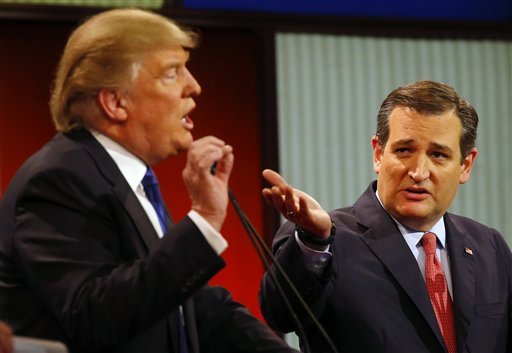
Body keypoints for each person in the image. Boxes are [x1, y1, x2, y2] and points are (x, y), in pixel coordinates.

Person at [0, 8, 297, 353]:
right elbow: (97, 316)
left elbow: (190, 309)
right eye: (172, 73)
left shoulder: (123, 178)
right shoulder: (60, 179)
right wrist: (202, 220)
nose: (194, 86)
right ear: (115, 102)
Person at [259, 80, 512, 353]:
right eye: (404, 150)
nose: (419, 172)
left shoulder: (489, 246)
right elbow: (280, 314)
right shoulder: (325, 238)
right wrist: (314, 241)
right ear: (379, 154)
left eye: (438, 155)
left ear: (465, 166)